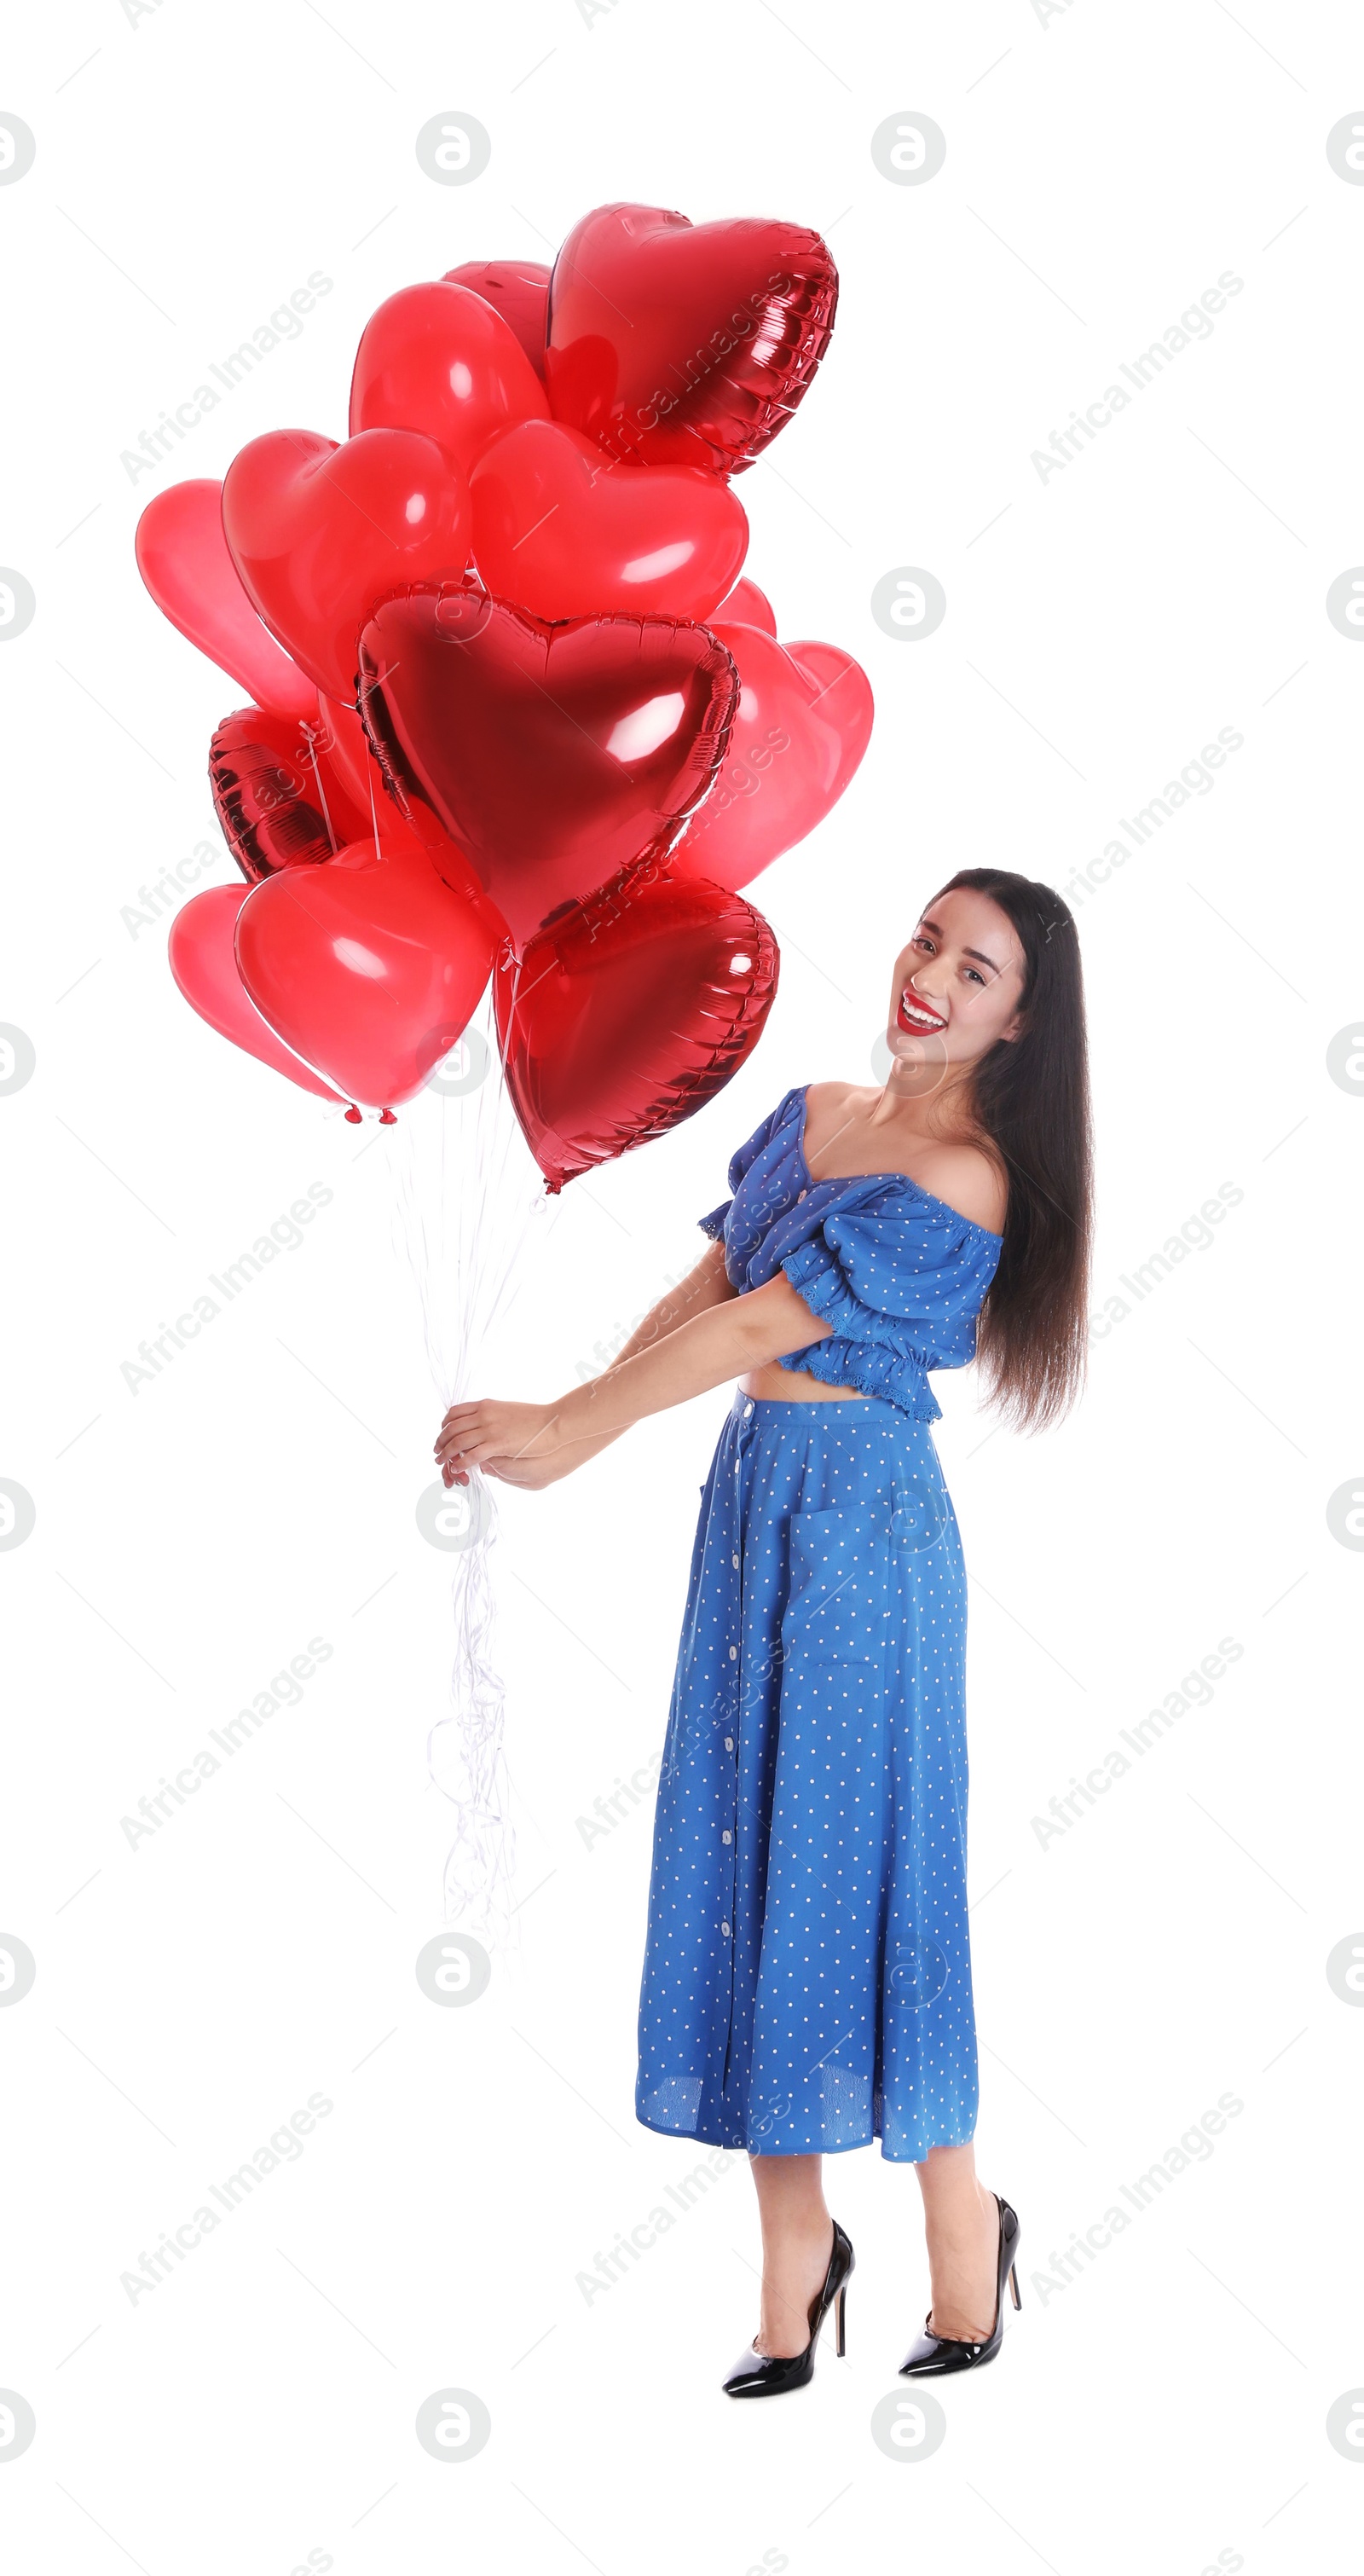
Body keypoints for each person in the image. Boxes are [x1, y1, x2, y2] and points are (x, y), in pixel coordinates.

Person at [435, 866, 1093, 2395]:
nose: (930, 974)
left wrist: (579, 1428)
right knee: (743, 1846)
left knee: (865, 1866)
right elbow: (713, 1279)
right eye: (928, 937)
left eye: (976, 970)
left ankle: (960, 2222)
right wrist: (570, 1402)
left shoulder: (974, 1173)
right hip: (756, 1500)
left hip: (866, 1523)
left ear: (1019, 1022)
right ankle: (795, 2253)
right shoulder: (811, 1109)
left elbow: (765, 1323)